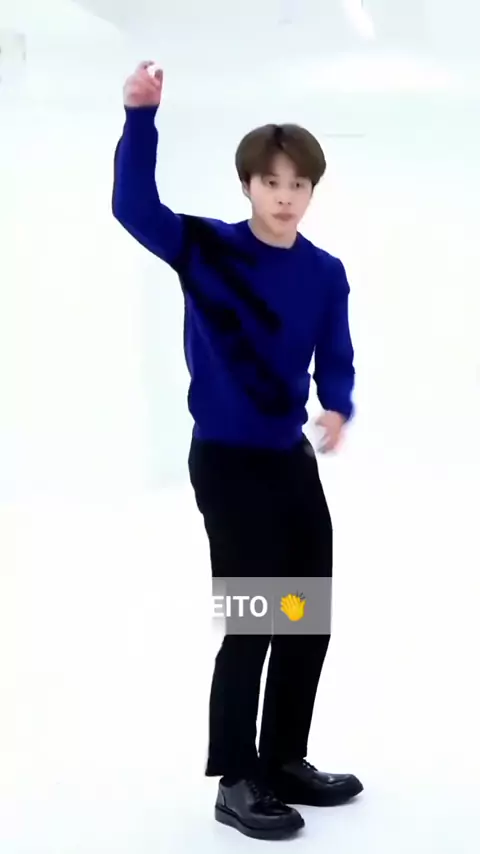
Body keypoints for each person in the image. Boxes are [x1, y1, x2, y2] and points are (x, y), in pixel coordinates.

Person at [112, 61, 363, 841]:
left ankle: (283, 759)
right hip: (226, 461)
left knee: (304, 616)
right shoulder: (207, 248)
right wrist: (140, 119)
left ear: (311, 191)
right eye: (271, 181)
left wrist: (337, 405)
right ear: (248, 185)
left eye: (298, 184)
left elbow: (337, 355)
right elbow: (132, 207)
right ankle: (236, 778)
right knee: (255, 618)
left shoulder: (324, 273)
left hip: (288, 462)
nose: (285, 195)